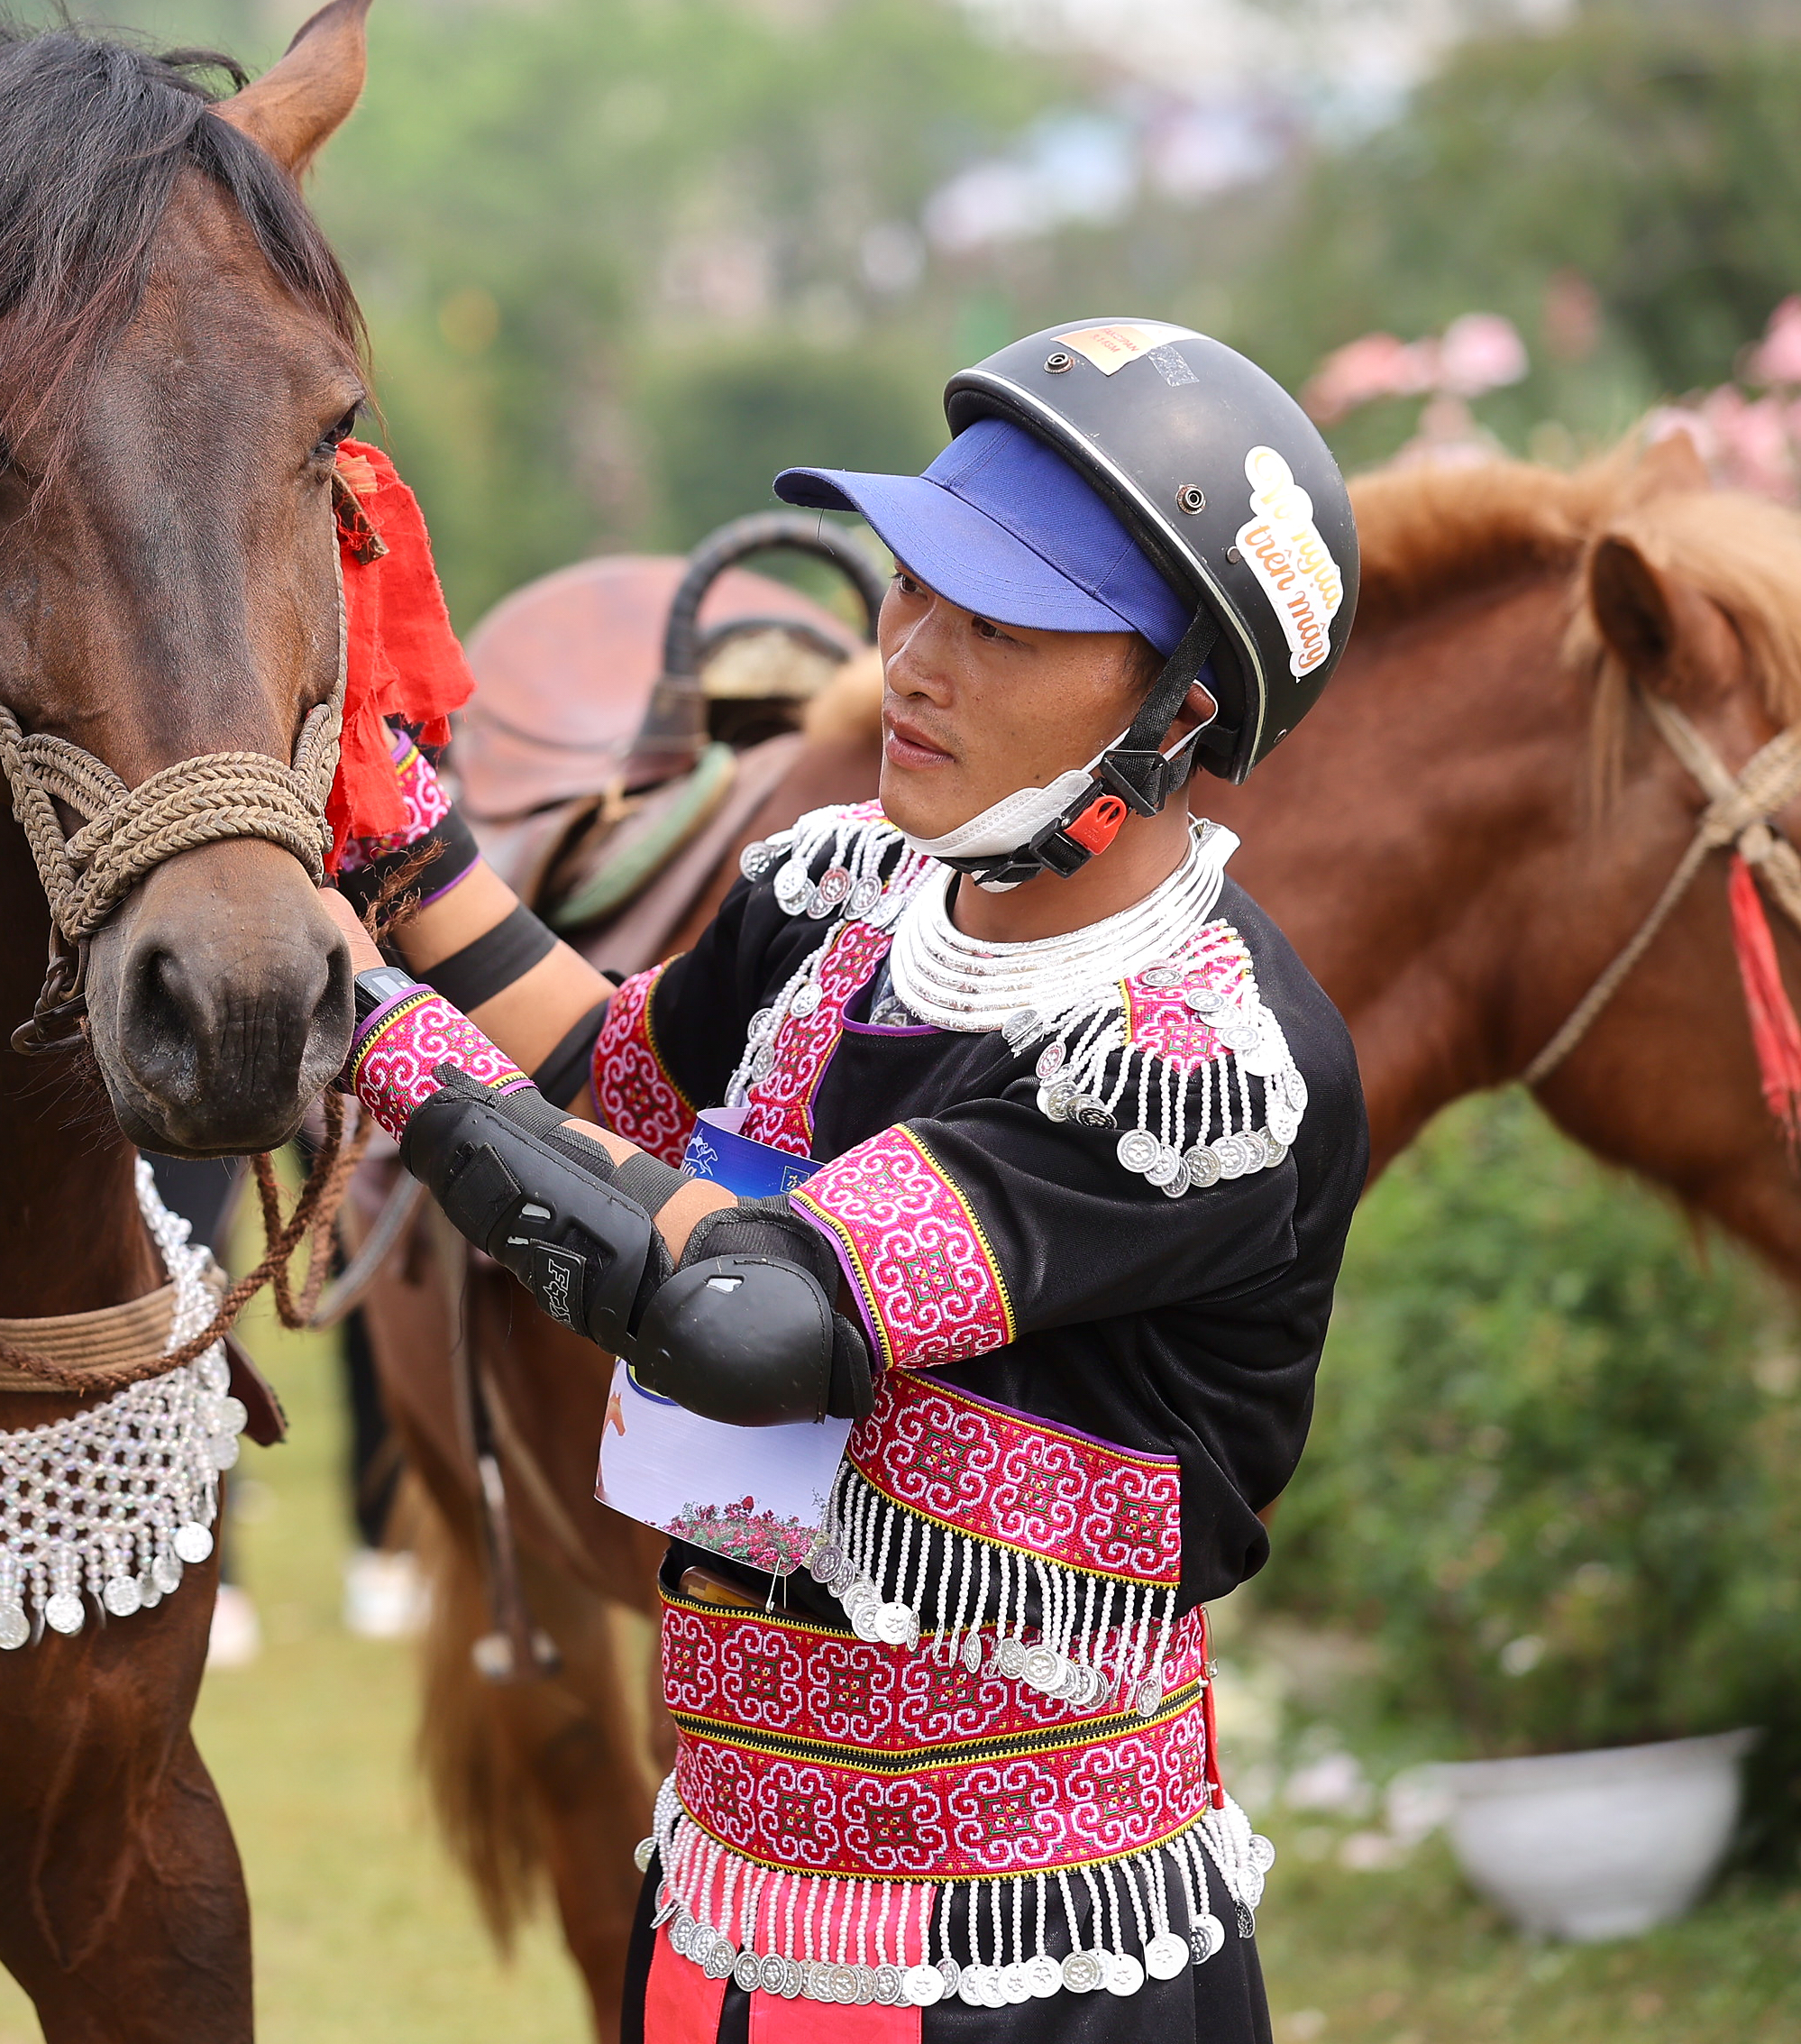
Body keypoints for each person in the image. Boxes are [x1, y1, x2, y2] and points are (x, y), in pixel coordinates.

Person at [323, 319, 1365, 2040]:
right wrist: (395, 835)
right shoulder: (845, 900)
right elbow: (609, 1075)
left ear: (1180, 707)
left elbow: (745, 1309)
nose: (913, 662)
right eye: (909, 592)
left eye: (1004, 624)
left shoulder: (1196, 1062)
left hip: (1020, 1967)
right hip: (726, 1891)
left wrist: (364, 1019)